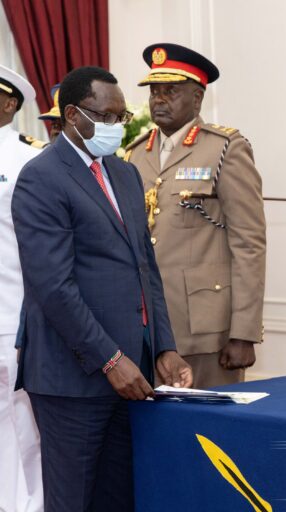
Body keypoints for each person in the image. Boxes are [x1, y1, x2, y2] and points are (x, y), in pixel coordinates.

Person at [11, 66, 192, 511]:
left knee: (120, 497)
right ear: (73, 115)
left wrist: (164, 347)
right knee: (74, 499)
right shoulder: (42, 178)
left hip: (133, 374)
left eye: (121, 116)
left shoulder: (124, 174)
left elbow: (145, 268)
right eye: (106, 117)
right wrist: (110, 359)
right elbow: (54, 287)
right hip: (74, 378)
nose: (116, 126)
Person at [125, 43, 266, 388]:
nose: (159, 99)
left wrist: (244, 332)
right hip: (147, 328)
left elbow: (249, 244)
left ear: (197, 98)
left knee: (208, 436)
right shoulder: (134, 154)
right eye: (154, 91)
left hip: (205, 331)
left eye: (170, 91)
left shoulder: (224, 149)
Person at [0, 64, 44, 512]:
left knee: (21, 424)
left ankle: (28, 505)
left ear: (10, 103)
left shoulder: (29, 158)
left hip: (12, 314)